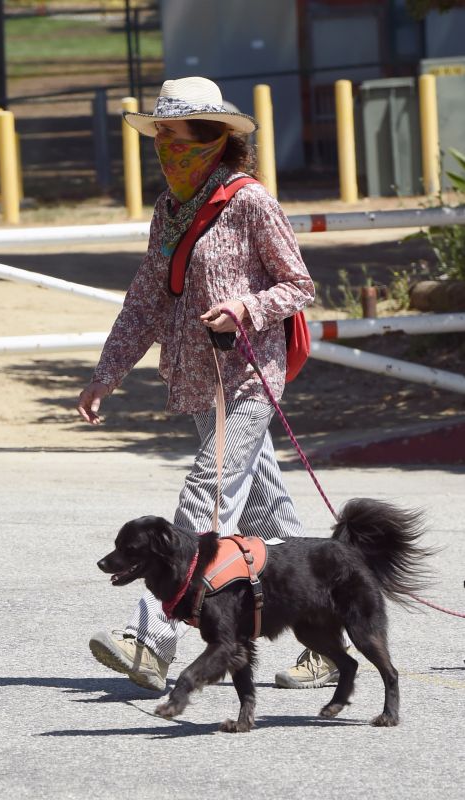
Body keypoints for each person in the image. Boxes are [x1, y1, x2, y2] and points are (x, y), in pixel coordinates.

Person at [77, 76, 340, 691]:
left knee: (202, 504)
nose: (162, 146)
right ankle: (325, 633)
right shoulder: (169, 209)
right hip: (197, 383)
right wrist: (105, 375)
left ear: (210, 138)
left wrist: (245, 309)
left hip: (247, 378)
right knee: (265, 513)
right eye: (158, 135)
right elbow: (145, 299)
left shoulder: (250, 201)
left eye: (171, 134)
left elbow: (297, 285)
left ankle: (152, 639)